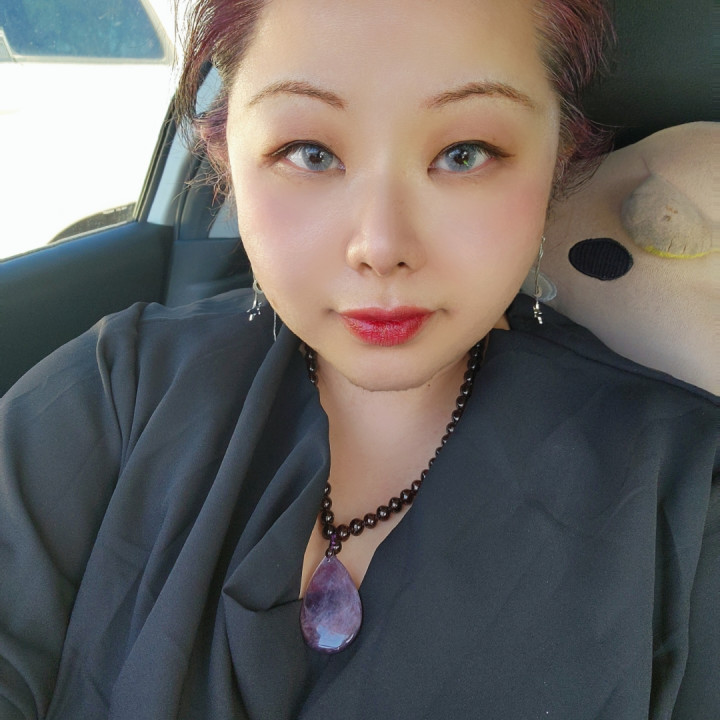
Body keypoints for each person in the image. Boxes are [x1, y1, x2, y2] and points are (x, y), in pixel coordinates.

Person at [0, 0, 717, 718]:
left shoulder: (683, 496)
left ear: (557, 160)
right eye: (310, 153)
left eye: (465, 153)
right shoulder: (112, 392)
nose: (381, 245)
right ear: (227, 158)